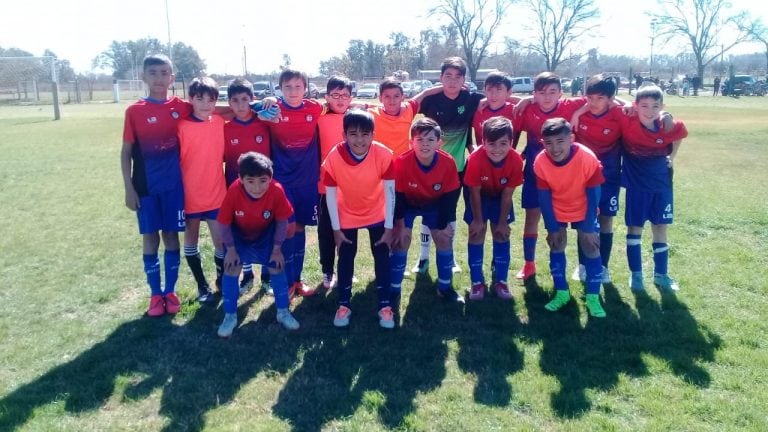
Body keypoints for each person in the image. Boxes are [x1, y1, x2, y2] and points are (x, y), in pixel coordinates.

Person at [121, 54, 189, 317]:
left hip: (173, 186)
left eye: (164, 73)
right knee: (150, 238)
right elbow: (126, 152)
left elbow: (216, 109)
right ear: (144, 77)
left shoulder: (182, 107)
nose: (159, 78)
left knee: (171, 236)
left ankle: (170, 291)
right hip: (146, 187)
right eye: (153, 73)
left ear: (172, 77)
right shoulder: (135, 111)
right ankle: (154, 294)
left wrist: (261, 104)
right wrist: (129, 188)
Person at [322, 109, 395, 329]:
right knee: (345, 257)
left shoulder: (383, 154)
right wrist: (336, 230)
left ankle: (385, 305)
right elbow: (331, 196)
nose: (359, 139)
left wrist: (389, 227)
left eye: (365, 134)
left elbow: (391, 193)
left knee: (382, 256)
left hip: (377, 212)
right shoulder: (333, 157)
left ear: (373, 134)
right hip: (347, 214)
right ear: (344, 135)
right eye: (353, 134)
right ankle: (343, 304)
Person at [512, 72, 586, 281]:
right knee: (531, 218)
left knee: (561, 221)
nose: (547, 97)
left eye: (552, 92)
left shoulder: (568, 105)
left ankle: (566, 266)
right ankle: (529, 264)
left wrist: (578, 114)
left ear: (560, 94)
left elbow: (603, 98)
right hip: (535, 172)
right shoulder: (527, 109)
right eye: (541, 92)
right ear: (534, 93)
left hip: (565, 174)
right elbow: (515, 133)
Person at [216, 152, 299, 337]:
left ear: (270, 178)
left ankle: (283, 312)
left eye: (263, 180)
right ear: (240, 179)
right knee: (231, 268)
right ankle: (229, 316)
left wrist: (277, 249)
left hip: (265, 235)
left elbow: (282, 220)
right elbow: (223, 222)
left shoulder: (277, 189)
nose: (257, 187)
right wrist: (230, 250)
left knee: (277, 267)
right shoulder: (233, 190)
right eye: (251, 181)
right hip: (239, 236)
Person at [414, 57, 484, 275]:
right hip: (429, 167)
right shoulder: (430, 101)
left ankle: (449, 257)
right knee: (427, 213)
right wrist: (427, 91)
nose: (452, 81)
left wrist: (525, 100)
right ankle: (423, 258)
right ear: (441, 78)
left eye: (457, 77)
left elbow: (500, 97)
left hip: (456, 169)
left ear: (464, 79)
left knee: (450, 213)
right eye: (448, 76)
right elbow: (410, 103)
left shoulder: (471, 99)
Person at [533, 118, 607, 318]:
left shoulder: (586, 157)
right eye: (548, 143)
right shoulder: (540, 161)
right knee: (557, 245)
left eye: (560, 141)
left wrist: (590, 226)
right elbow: (544, 197)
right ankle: (562, 292)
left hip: (584, 208)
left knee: (591, 246)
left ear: (571, 139)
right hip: (557, 208)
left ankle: (592, 297)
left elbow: (594, 195)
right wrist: (552, 227)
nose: (554, 148)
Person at [390, 118, 464, 308]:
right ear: (411, 143)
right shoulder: (401, 162)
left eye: (430, 140)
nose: (425, 144)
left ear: (439, 143)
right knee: (400, 240)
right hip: (408, 203)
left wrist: (444, 223)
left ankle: (445, 288)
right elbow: (397, 196)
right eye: (419, 140)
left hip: (435, 203)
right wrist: (399, 225)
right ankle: (393, 289)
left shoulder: (448, 163)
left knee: (444, 238)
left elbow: (451, 194)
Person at [620, 84, 688, 292]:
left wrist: (672, 157)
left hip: (662, 185)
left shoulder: (667, 125)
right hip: (637, 186)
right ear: (636, 106)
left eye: (655, 106)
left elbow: (680, 133)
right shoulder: (628, 121)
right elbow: (611, 102)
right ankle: (636, 275)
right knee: (635, 229)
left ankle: (661, 275)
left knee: (660, 228)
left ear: (662, 106)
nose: (650, 111)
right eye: (645, 106)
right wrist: (625, 104)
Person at [266, 68, 327, 297]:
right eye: (288, 86)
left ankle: (297, 281)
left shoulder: (314, 108)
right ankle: (283, 280)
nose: (293, 91)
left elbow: (337, 106)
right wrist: (267, 100)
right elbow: (242, 107)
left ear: (305, 88)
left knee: (299, 228)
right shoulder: (271, 109)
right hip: (282, 181)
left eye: (298, 86)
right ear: (280, 88)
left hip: (307, 181)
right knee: (286, 229)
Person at [568, 74, 624, 284]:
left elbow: (648, 110)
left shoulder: (620, 114)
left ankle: (603, 267)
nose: (592, 103)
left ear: (610, 99)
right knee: (584, 219)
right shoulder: (580, 110)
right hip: (583, 177)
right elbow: (540, 98)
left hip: (609, 177)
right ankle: (583, 265)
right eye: (589, 98)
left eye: (599, 98)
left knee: (606, 219)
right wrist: (578, 111)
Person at [177, 77, 228, 304]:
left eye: (211, 99)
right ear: (191, 100)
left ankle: (220, 280)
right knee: (191, 240)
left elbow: (240, 107)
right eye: (200, 99)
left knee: (221, 243)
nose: (206, 104)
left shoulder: (218, 121)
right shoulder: (181, 126)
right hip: (189, 196)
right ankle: (201, 285)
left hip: (217, 194)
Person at [464, 116, 524, 300]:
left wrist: (502, 222)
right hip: (478, 198)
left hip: (500, 199)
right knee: (476, 233)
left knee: (501, 234)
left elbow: (507, 195)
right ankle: (476, 282)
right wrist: (478, 220)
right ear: (483, 142)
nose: (497, 149)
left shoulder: (515, 160)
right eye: (491, 144)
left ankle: (501, 281)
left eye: (503, 143)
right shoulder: (475, 159)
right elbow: (474, 192)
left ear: (511, 142)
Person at [223, 78, 272, 295]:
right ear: (229, 102)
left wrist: (270, 99)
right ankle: (248, 274)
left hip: (264, 188)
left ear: (252, 100)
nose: (241, 105)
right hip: (237, 189)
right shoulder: (225, 128)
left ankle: (267, 276)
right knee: (242, 229)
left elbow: (280, 108)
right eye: (235, 101)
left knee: (265, 227)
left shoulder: (264, 122)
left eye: (245, 99)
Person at [317, 75, 355, 291]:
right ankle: (327, 271)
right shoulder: (319, 118)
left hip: (351, 186)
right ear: (327, 97)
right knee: (327, 231)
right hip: (325, 185)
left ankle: (346, 270)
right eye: (335, 95)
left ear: (351, 98)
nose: (340, 99)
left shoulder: (356, 117)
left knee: (348, 230)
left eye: (345, 95)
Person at [368, 77, 443, 157]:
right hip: (381, 163)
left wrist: (449, 86)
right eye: (387, 96)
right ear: (380, 98)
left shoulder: (409, 110)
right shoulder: (371, 115)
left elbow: (425, 93)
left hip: (403, 162)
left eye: (396, 96)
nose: (392, 100)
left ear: (402, 97)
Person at [471, 70, 520, 147]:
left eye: (499, 89)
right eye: (489, 89)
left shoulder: (515, 111)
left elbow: (535, 100)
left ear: (509, 92)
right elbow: (479, 141)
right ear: (484, 91)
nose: (493, 94)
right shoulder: (479, 111)